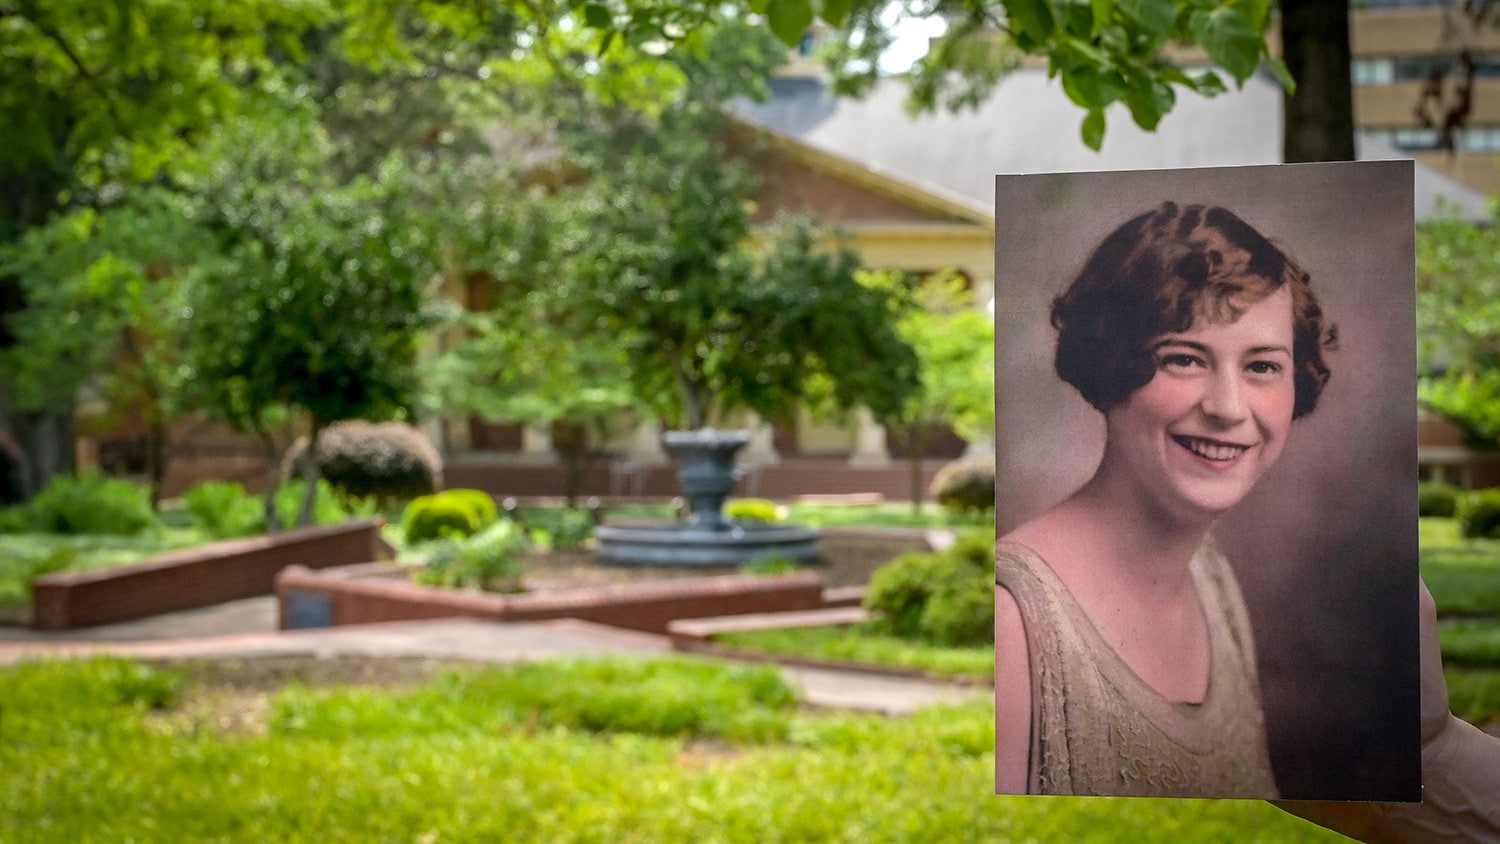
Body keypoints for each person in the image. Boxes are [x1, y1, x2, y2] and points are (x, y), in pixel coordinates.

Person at [994, 201, 1337, 798]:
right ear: (1110, 364)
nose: (1229, 408)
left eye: (1261, 366)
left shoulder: (1213, 582)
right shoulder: (1013, 623)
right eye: (1183, 358)